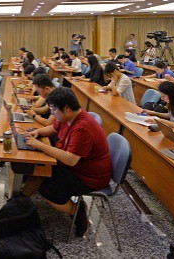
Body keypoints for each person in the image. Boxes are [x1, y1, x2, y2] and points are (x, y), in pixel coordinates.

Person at [22, 87, 112, 237]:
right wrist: (37, 132)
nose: (52, 113)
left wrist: (39, 145)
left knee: (48, 189)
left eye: (53, 110)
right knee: (40, 168)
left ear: (67, 108)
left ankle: (77, 210)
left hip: (89, 177)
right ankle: (22, 200)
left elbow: (70, 160)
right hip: (78, 167)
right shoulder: (68, 117)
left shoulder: (83, 127)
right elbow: (53, 128)